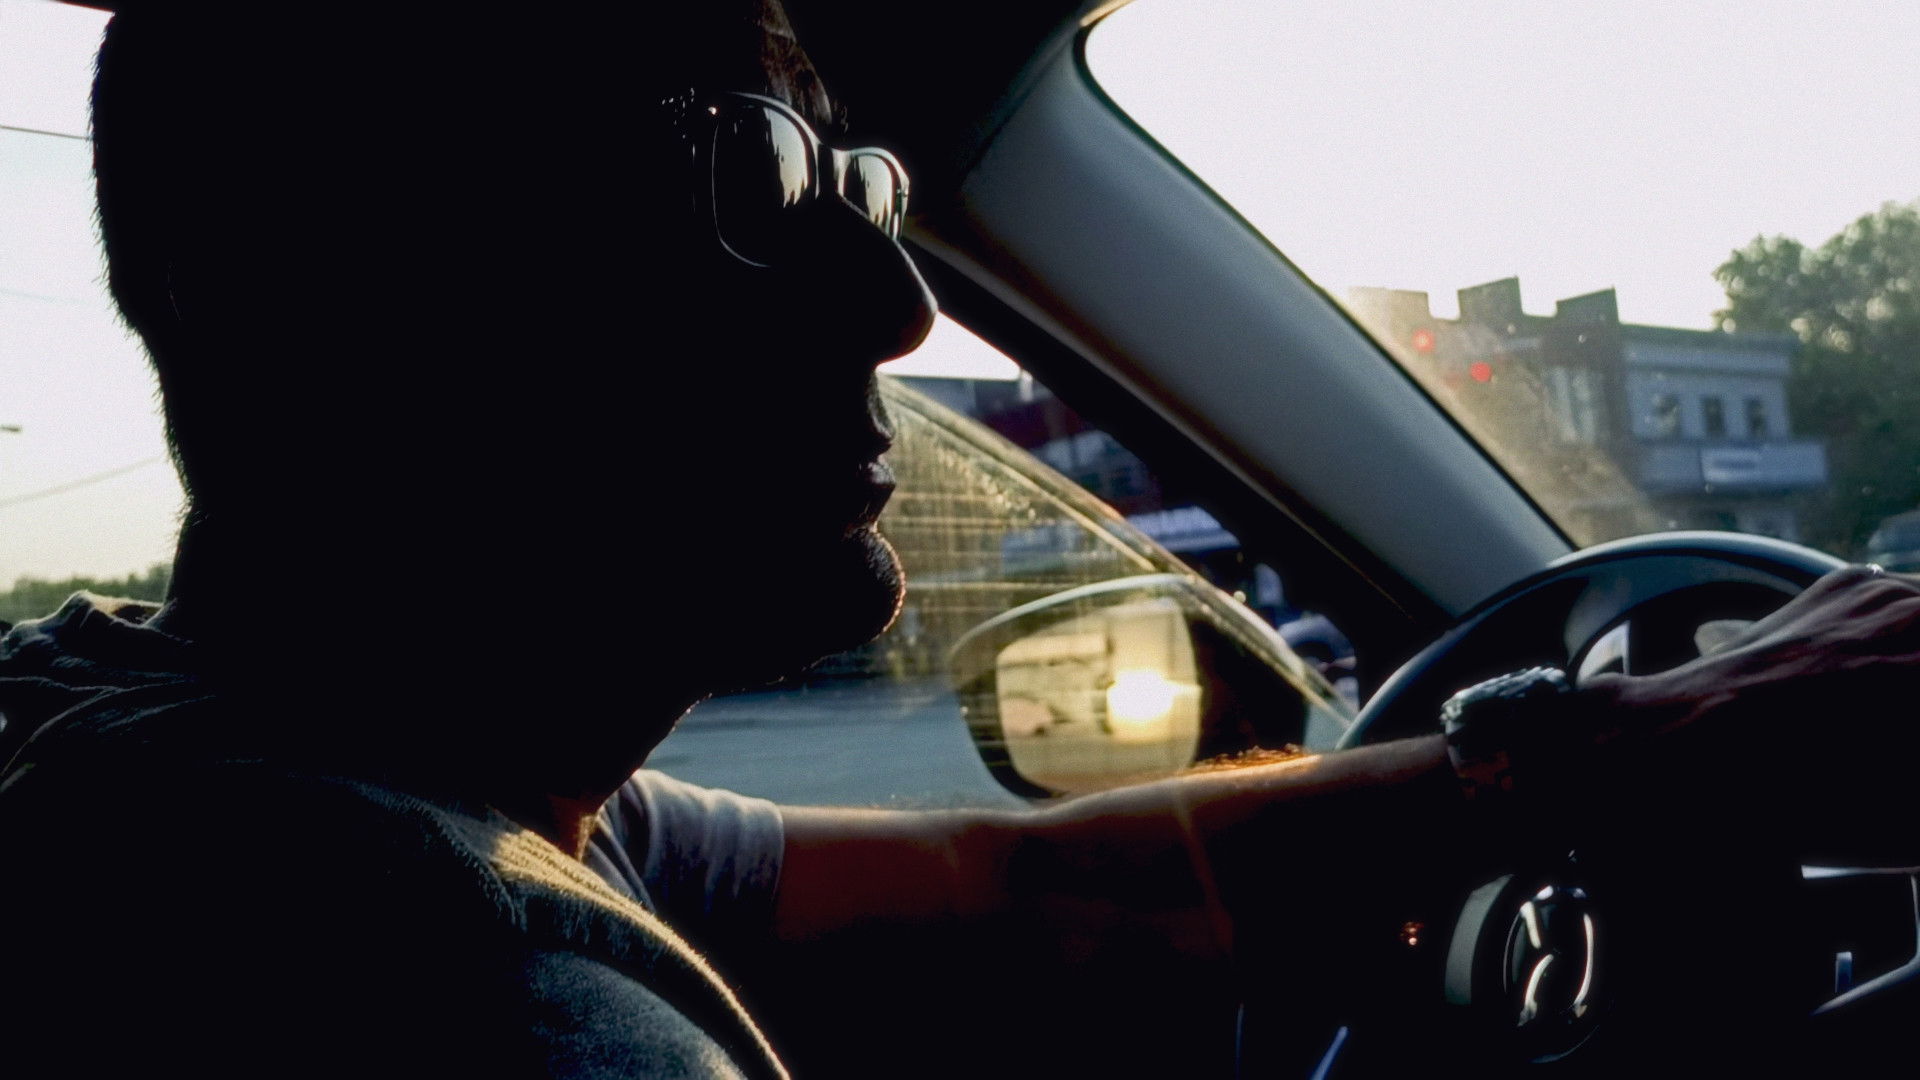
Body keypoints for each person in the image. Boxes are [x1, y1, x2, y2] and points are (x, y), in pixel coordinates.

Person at [4, 2, 1920, 1077]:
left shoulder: (261, 762)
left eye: (864, 180)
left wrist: (1615, 746)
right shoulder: (497, 1012)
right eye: (755, 169)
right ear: (339, 291)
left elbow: (1027, 887)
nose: (896, 301)